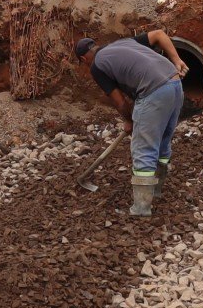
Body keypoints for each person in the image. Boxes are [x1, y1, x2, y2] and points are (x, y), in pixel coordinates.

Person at [76, 29, 190, 217]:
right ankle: (156, 191)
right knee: (162, 140)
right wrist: (176, 60)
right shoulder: (124, 42)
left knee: (143, 149)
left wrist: (129, 120)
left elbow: (119, 101)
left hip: (154, 91)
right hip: (175, 84)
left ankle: (141, 208)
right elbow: (160, 34)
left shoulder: (97, 66)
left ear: (83, 58)